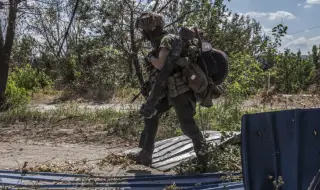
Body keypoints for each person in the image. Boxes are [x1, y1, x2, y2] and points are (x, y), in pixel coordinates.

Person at [132, 12, 208, 171]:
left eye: (144, 29)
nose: (142, 33)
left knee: (188, 126)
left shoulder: (166, 39)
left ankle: (203, 159)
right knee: (150, 115)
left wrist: (149, 58)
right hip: (168, 90)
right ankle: (146, 155)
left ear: (151, 28)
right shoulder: (160, 40)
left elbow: (161, 64)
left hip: (180, 90)